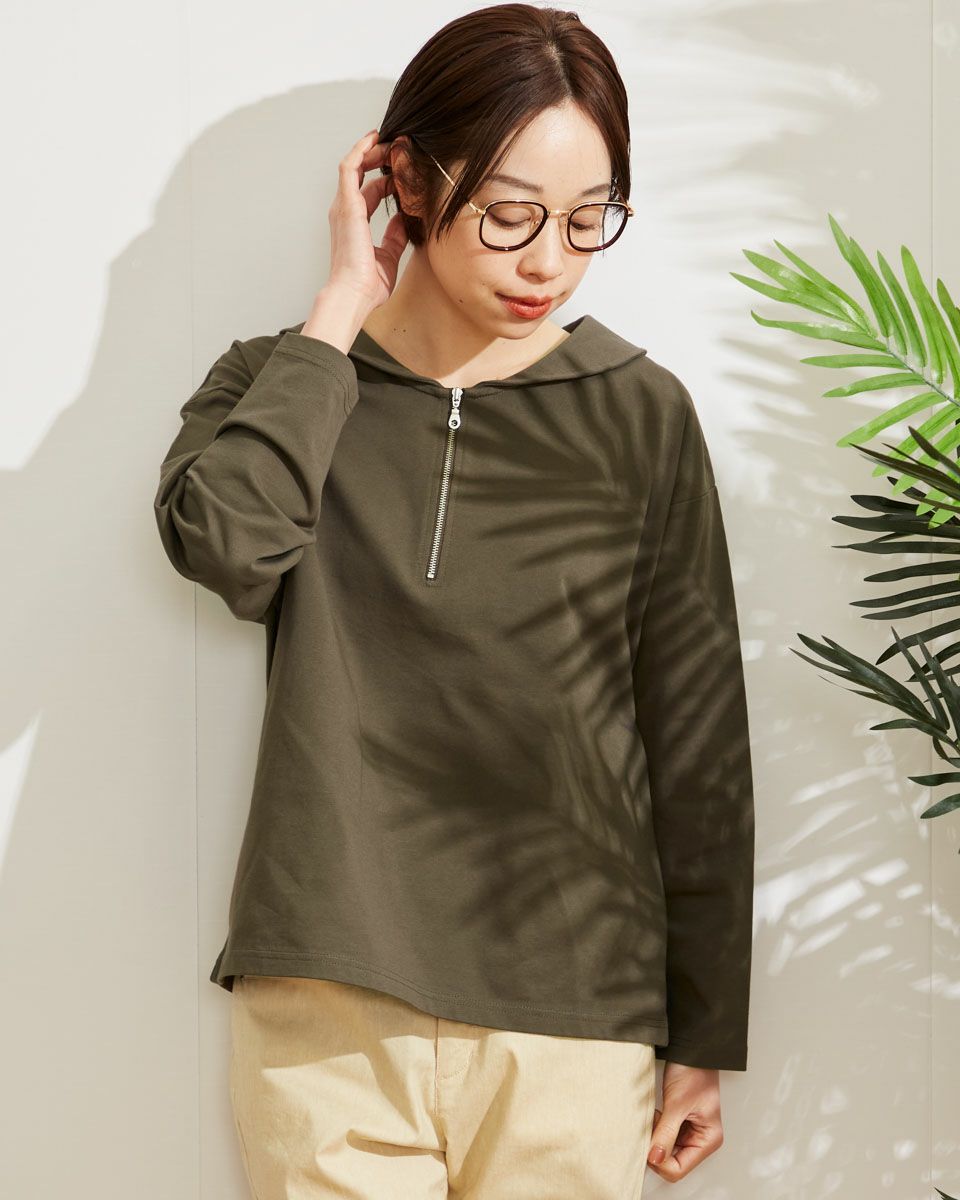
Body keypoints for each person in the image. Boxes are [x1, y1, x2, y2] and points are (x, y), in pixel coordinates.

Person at [152, 4, 755, 1196]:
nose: (549, 263)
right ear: (411, 184)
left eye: (588, 220)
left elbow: (697, 746)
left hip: (575, 1014)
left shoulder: (640, 414)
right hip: (328, 1001)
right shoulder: (282, 383)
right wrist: (341, 307)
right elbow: (226, 547)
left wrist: (703, 1035)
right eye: (510, 214)